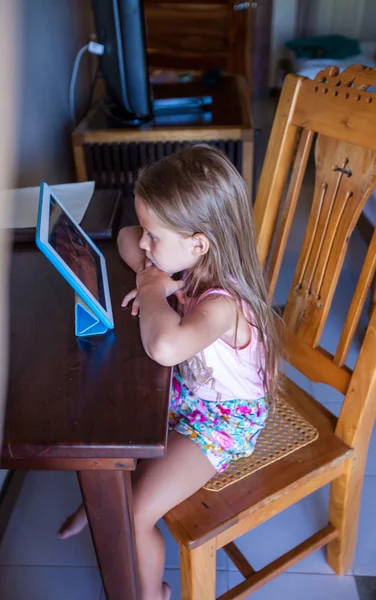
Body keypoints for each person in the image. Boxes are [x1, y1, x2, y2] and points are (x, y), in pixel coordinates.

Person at [58, 145, 282, 600]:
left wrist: (150, 289)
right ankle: (103, 492)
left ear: (198, 244)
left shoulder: (223, 304)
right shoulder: (187, 261)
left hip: (222, 421)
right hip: (190, 393)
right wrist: (153, 273)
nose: (143, 243)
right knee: (110, 408)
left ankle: (149, 592)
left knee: (137, 513)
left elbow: (164, 346)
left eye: (153, 236)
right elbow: (122, 237)